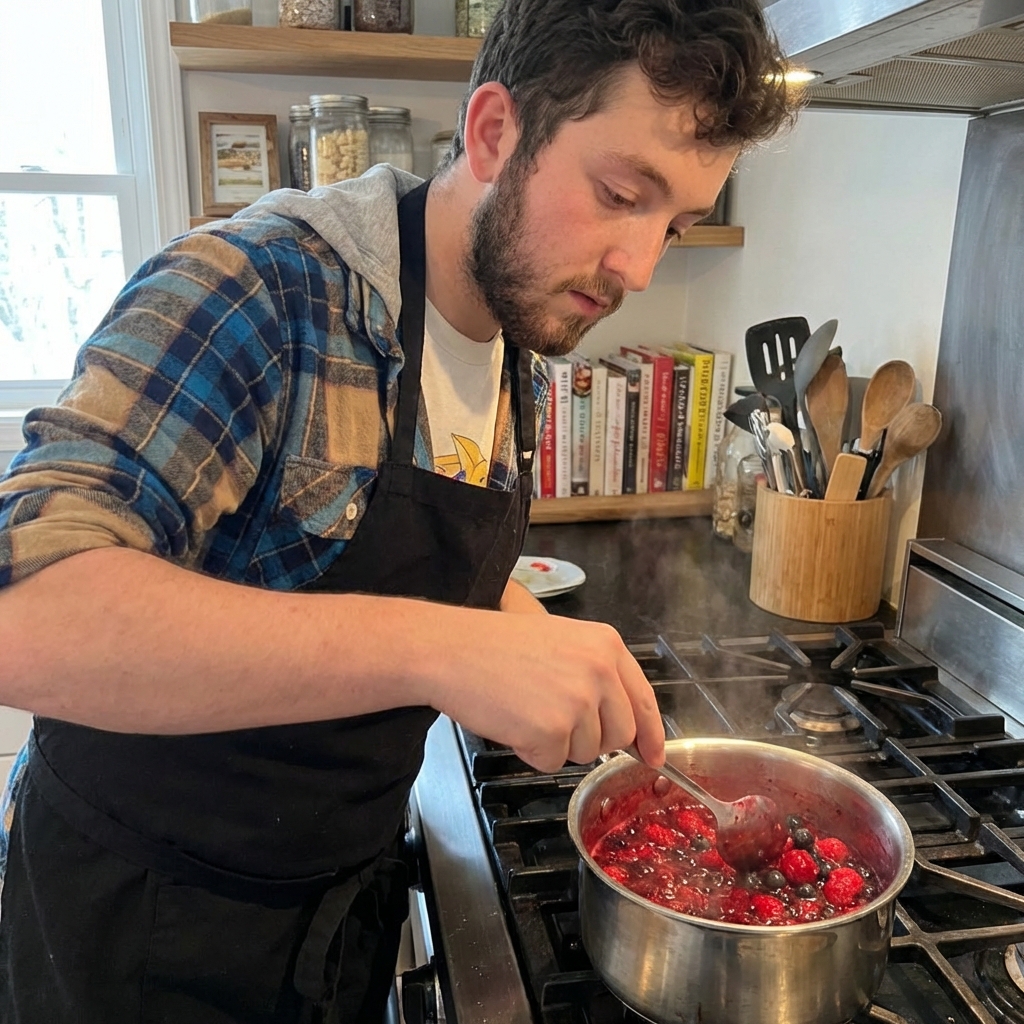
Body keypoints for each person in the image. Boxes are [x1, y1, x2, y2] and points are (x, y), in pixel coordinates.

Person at [0, 1, 797, 1020]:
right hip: (139, 931)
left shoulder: (513, 341)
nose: (639, 267)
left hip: (335, 913)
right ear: (495, 132)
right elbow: (25, 613)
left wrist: (518, 630)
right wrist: (442, 649)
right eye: (619, 195)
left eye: (673, 226)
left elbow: (376, 551)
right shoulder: (255, 289)